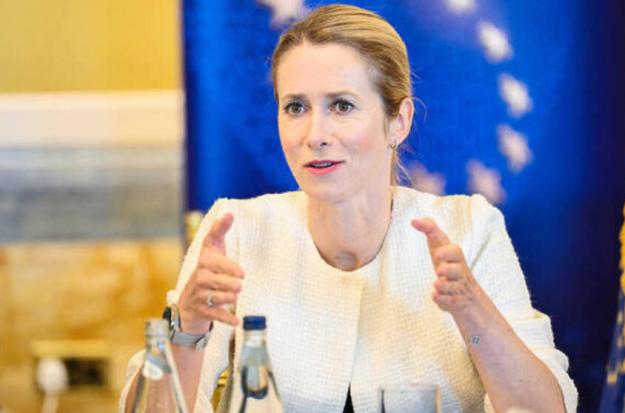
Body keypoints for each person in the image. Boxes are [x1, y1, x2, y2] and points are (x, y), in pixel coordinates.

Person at [121, 4, 577, 412]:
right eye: (295, 107)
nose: (315, 134)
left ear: (398, 121)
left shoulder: (470, 227)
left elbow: (546, 410)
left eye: (341, 106)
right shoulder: (237, 230)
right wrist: (187, 328)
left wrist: (472, 310)